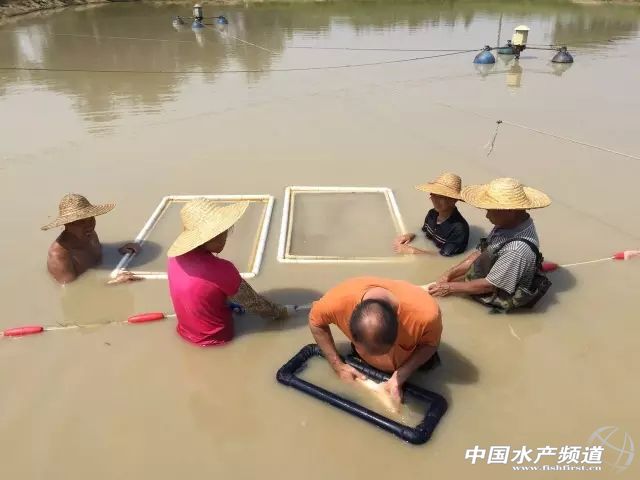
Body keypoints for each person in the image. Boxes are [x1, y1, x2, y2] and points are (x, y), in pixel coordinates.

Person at [167, 199, 290, 347]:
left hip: (184, 332)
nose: (226, 235)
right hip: (217, 338)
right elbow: (255, 304)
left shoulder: (174, 258)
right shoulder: (223, 269)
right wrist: (281, 312)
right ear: (211, 237)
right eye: (224, 231)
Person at [309, 277, 442, 403]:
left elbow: (430, 344)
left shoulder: (426, 315)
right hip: (364, 359)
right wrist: (338, 366)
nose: (380, 358)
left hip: (411, 356)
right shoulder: (338, 302)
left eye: (384, 352)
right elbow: (315, 322)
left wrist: (401, 375)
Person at [428, 177, 552, 312]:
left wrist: (449, 287)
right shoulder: (508, 223)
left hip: (496, 293)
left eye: (490, 210)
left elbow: (488, 286)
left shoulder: (516, 250)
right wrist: (449, 274)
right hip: (495, 272)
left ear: (509, 210)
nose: (487, 216)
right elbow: (481, 252)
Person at [42, 193, 140, 285]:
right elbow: (72, 291)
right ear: (67, 224)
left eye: (91, 218)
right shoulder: (59, 256)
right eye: (81, 222)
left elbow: (99, 252)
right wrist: (114, 282)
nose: (89, 225)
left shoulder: (90, 235)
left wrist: (118, 250)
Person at [393, 172, 469, 257]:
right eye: (433, 195)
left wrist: (412, 251)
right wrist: (411, 235)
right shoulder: (432, 214)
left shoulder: (459, 229)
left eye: (441, 197)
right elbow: (424, 233)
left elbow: (443, 257)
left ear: (454, 200)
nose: (435, 200)